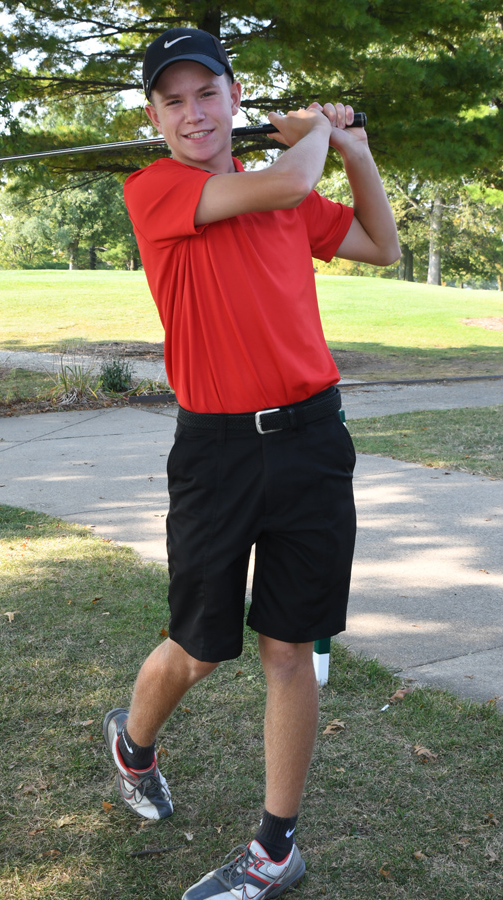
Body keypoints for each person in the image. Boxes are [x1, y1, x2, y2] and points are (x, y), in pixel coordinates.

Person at [103, 26, 400, 900]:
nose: (194, 112)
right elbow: (287, 177)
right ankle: (133, 742)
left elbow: (380, 244)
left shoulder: (284, 191)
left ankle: (276, 848)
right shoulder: (157, 189)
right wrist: (314, 134)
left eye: (208, 93)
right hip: (218, 451)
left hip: (312, 440)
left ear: (234, 98)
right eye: (174, 99)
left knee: (290, 649)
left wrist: (356, 148)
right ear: (155, 117)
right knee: (198, 648)